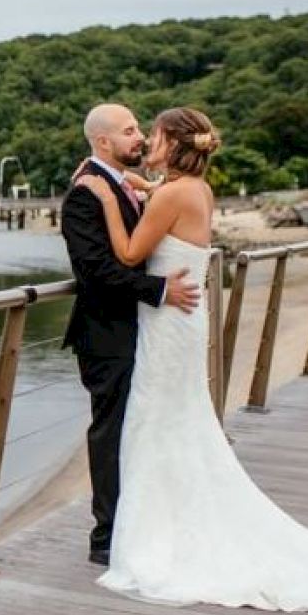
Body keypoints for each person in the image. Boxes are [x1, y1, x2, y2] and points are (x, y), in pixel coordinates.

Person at [77, 106, 308, 610]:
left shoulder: (171, 194)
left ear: (174, 143)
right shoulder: (194, 189)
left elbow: (128, 255)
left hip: (168, 324)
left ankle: (156, 531)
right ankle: (168, 520)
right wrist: (129, 181)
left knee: (157, 422)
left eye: (153, 134)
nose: (147, 140)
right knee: (175, 422)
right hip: (180, 322)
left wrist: (105, 195)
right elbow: (158, 198)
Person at [61, 103, 201, 567]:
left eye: (141, 130)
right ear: (103, 142)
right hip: (106, 335)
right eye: (129, 131)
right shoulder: (85, 193)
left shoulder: (124, 185)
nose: (139, 137)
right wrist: (159, 289)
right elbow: (97, 272)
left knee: (136, 430)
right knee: (112, 433)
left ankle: (137, 524)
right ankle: (106, 538)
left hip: (138, 330)